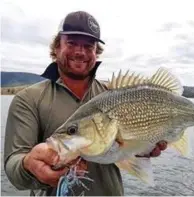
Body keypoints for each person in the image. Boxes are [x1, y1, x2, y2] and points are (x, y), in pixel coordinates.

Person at [4, 11, 167, 196]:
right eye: (72, 43)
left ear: (96, 52)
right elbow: (12, 165)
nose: (80, 52)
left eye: (89, 46)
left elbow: (128, 151)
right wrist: (27, 165)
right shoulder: (28, 99)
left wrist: (144, 149)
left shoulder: (112, 95)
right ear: (57, 47)